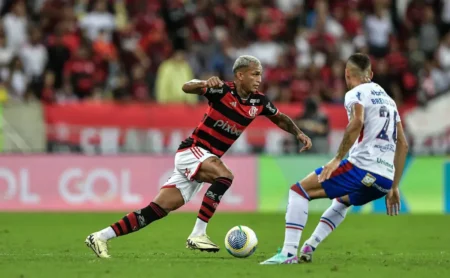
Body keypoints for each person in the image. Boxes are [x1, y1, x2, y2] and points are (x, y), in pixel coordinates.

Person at [85, 55, 312, 258]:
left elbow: (280, 118)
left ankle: (100, 236)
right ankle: (198, 234)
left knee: (157, 210)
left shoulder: (258, 102)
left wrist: (299, 133)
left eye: (260, 74)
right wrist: (204, 83)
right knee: (225, 176)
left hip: (204, 158)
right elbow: (186, 87)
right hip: (192, 150)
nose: (259, 79)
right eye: (255, 74)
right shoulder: (221, 90)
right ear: (240, 75)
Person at [260, 53, 409, 265]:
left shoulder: (355, 93)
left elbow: (357, 122)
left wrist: (338, 158)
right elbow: (403, 144)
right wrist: (394, 186)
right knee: (341, 202)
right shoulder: (390, 101)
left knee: (299, 191)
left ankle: (288, 253)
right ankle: (309, 247)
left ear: (347, 74)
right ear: (371, 74)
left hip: (361, 167)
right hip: (384, 179)